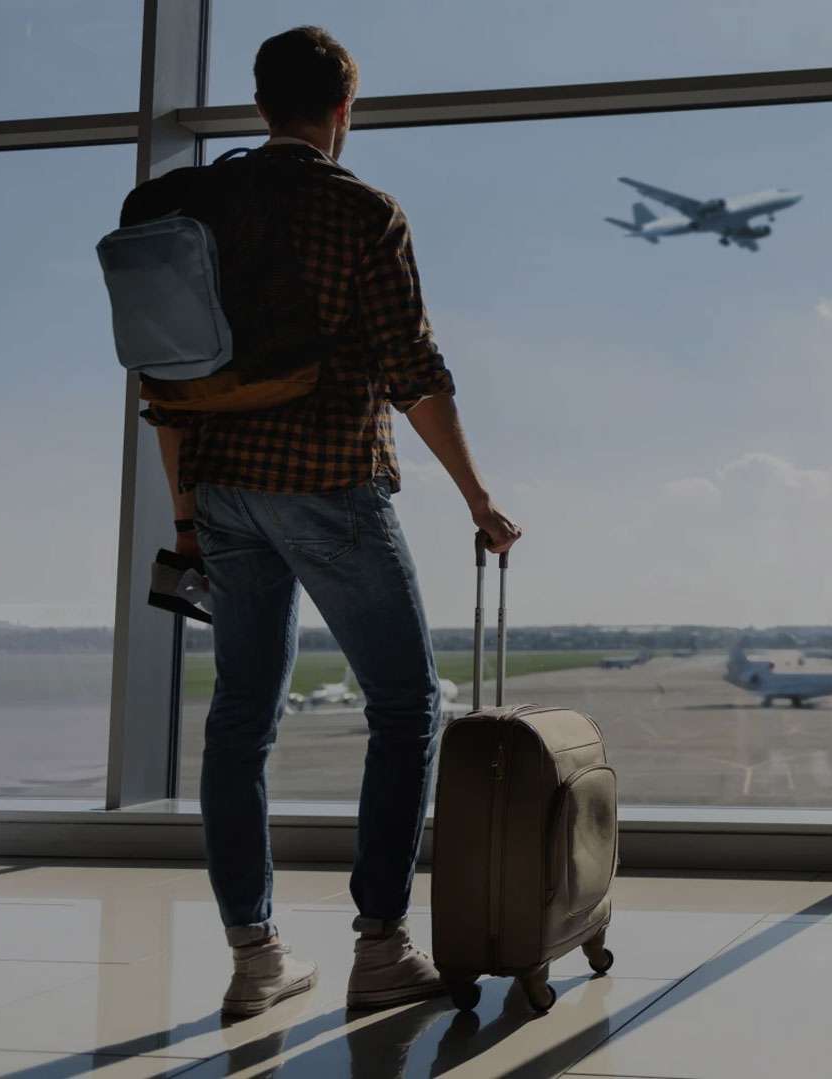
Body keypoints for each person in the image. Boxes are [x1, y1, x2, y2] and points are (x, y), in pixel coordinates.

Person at [142, 26, 521, 1017]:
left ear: (263, 103)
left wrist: (187, 517)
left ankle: (255, 952)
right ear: (343, 111)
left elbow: (166, 387)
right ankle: (382, 944)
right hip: (328, 482)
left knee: (242, 716)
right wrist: (479, 497)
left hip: (222, 490)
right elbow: (414, 375)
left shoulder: (195, 205)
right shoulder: (361, 211)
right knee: (406, 705)